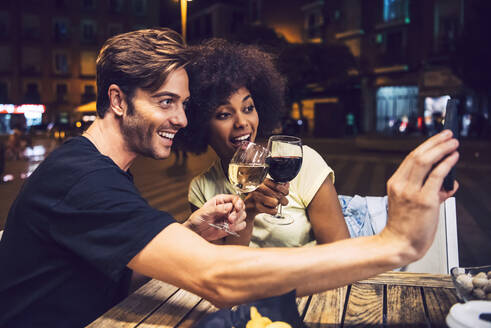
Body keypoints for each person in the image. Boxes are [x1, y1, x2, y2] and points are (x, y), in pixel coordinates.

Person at [0, 28, 459, 328]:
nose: (181, 119)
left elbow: (122, 272)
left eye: (183, 104)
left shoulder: (101, 171)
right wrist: (394, 244)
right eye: (165, 102)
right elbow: (216, 278)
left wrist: (189, 233)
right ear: (118, 100)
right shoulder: (83, 180)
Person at [176, 39, 350, 247]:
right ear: (199, 123)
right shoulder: (201, 188)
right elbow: (221, 268)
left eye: (248, 108)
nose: (242, 122)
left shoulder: (301, 161)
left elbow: (340, 251)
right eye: (224, 114)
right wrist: (247, 212)